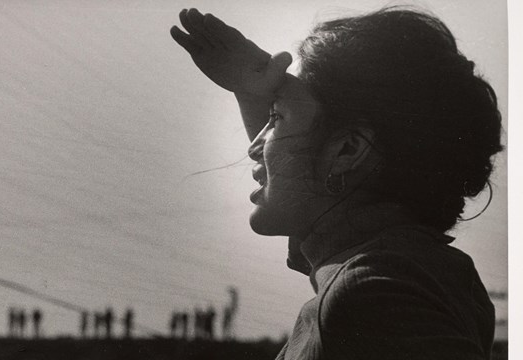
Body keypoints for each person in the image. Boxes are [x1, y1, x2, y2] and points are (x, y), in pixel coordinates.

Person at [171, 6, 502, 360]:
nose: (255, 146)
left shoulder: (369, 297)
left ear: (348, 149)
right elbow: (324, 225)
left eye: (277, 118)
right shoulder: (419, 271)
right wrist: (258, 97)